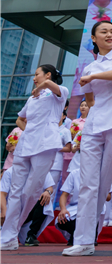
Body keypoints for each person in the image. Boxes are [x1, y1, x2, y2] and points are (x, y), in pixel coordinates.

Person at [62, 21, 112, 257]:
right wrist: (92, 79)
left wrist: (95, 76)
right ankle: (83, 241)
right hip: (95, 124)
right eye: (103, 32)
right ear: (94, 39)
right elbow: (90, 98)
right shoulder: (88, 68)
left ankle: (90, 235)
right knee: (88, 183)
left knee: (104, 183)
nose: (109, 34)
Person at [0, 64, 68, 251]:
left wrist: (41, 86)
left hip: (45, 145)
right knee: (15, 192)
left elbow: (52, 87)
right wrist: (29, 129)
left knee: (30, 192)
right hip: (25, 146)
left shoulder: (60, 92)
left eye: (36, 74)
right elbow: (20, 118)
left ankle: (12, 232)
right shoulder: (32, 98)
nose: (33, 78)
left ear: (47, 75)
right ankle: (8, 237)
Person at [55, 169, 112, 248]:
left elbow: (108, 197)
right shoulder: (74, 173)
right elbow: (64, 194)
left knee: (90, 214)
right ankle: (75, 235)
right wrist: (63, 209)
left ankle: (88, 238)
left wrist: (95, 191)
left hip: (95, 205)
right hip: (76, 206)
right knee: (61, 220)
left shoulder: (104, 173)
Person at [0, 166, 55, 246]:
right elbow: (2, 193)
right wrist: (4, 211)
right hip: (12, 209)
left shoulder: (43, 169)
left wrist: (47, 192)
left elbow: (49, 187)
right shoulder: (10, 171)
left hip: (29, 209)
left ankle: (31, 235)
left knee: (45, 199)